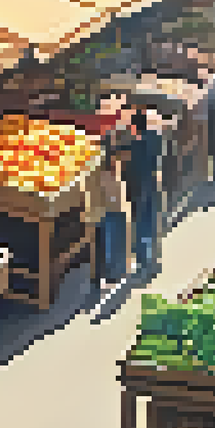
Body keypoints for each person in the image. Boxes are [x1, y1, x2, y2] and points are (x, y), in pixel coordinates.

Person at [88, 130, 131, 293]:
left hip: (102, 210)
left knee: (103, 245)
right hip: (112, 210)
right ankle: (111, 275)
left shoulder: (97, 170)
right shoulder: (110, 172)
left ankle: (101, 277)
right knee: (112, 243)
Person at [125, 109, 164, 274]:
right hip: (153, 181)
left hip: (138, 184)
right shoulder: (154, 137)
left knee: (140, 222)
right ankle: (153, 256)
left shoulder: (134, 144)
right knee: (151, 218)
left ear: (134, 127)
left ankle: (143, 260)